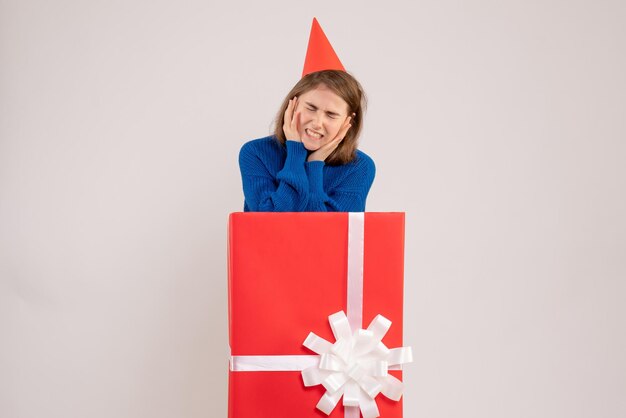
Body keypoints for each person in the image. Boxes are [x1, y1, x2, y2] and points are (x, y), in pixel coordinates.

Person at [238, 19, 375, 212]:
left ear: (348, 122)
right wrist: (295, 153)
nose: (318, 122)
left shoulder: (359, 167)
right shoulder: (255, 153)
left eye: (331, 114)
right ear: (292, 105)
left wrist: (315, 165)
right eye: (311, 107)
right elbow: (270, 220)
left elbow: (329, 234)